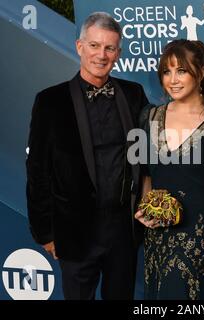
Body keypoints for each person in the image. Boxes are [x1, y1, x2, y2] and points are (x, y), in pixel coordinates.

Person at [26, 12, 149, 300]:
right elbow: (37, 170)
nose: (101, 55)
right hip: (75, 231)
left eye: (109, 48)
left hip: (122, 228)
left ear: (118, 53)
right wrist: (45, 233)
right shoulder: (50, 101)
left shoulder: (134, 94)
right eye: (94, 46)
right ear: (80, 46)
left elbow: (146, 154)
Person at [134, 39, 204, 300]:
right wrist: (146, 208)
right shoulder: (150, 116)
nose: (173, 80)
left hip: (197, 230)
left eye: (181, 71)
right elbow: (145, 172)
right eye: (167, 71)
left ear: (200, 73)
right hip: (157, 228)